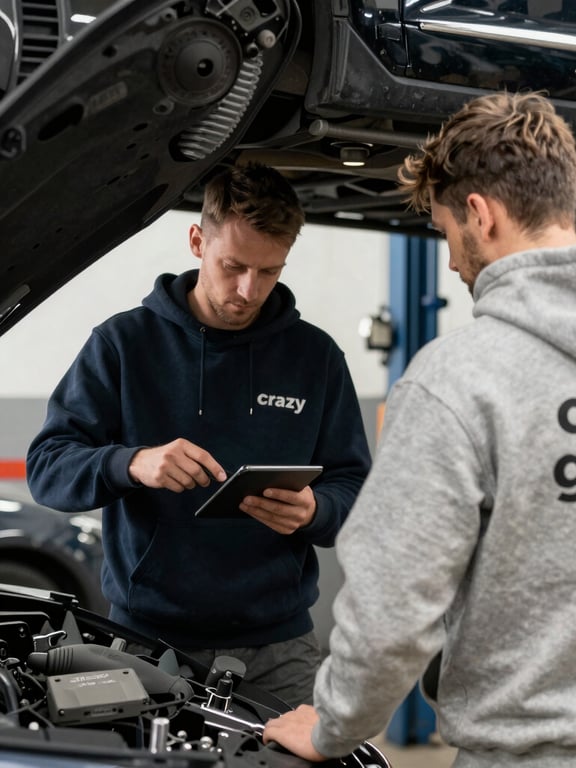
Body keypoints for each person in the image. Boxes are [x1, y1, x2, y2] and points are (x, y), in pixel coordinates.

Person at [262, 91, 576, 766]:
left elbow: (392, 610)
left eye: (445, 234)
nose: (455, 265)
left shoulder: (457, 379)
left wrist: (333, 727)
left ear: (481, 216)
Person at [25, 162, 372, 707]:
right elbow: (47, 469)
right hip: (145, 642)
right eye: (233, 266)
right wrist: (131, 464)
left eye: (269, 272)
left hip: (279, 646)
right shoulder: (123, 345)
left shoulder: (316, 358)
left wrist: (314, 511)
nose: (247, 290)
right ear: (196, 240)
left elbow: (356, 488)